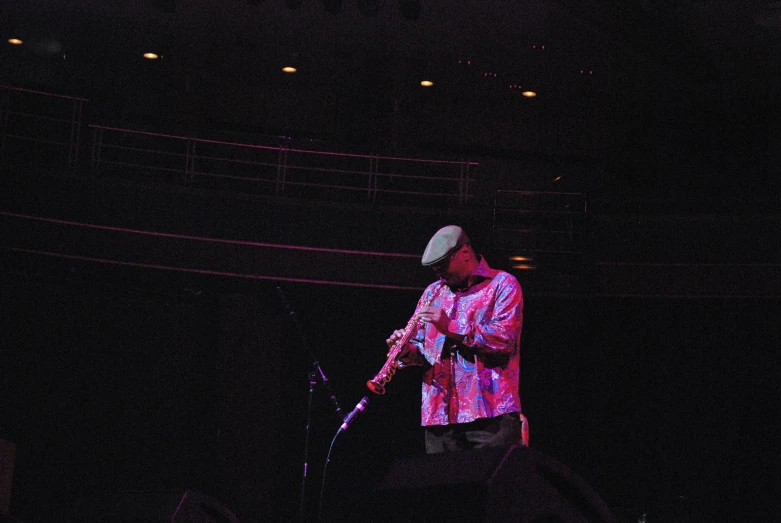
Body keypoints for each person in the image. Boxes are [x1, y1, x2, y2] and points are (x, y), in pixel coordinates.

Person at [386, 225, 524, 454]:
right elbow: (424, 350)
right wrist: (406, 350)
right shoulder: (433, 292)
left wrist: (450, 326)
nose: (439, 274)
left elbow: (503, 341)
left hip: (490, 415)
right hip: (440, 417)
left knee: (493, 487)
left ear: (465, 253)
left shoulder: (503, 284)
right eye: (435, 269)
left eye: (443, 266)